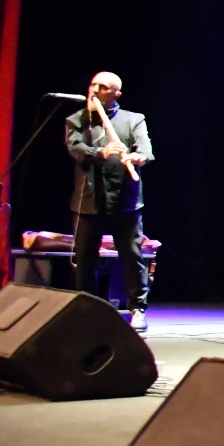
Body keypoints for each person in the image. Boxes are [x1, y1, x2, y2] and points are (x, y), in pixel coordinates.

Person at [65, 72, 153, 333]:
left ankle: (138, 308)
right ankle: (86, 309)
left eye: (103, 87)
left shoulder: (133, 119)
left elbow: (146, 149)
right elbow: (76, 148)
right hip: (88, 200)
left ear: (116, 94)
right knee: (84, 259)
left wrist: (138, 158)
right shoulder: (76, 120)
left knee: (132, 257)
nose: (94, 90)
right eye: (93, 84)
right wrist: (101, 152)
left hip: (125, 199)